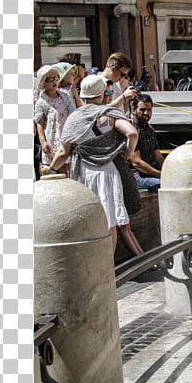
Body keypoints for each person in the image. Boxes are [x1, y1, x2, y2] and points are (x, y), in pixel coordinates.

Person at [47, 75, 145, 257]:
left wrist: (51, 170)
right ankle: (107, 267)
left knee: (92, 222)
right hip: (109, 172)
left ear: (83, 95)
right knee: (111, 222)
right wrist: (127, 154)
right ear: (102, 93)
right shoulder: (109, 113)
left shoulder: (74, 118)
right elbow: (132, 134)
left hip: (84, 172)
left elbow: (63, 152)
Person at [35, 65, 77, 177]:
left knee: (68, 169)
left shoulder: (65, 96)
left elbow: (73, 113)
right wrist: (43, 142)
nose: (54, 81)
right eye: (50, 79)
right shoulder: (41, 101)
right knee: (55, 169)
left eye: (56, 78)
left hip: (66, 135)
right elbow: (39, 123)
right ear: (43, 82)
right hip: (52, 138)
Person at [128, 94, 164, 190]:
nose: (146, 113)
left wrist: (169, 172)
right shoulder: (130, 129)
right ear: (134, 110)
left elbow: (158, 157)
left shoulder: (150, 130)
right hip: (136, 177)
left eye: (149, 110)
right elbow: (136, 162)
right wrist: (161, 175)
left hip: (150, 174)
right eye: (142, 109)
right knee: (165, 184)